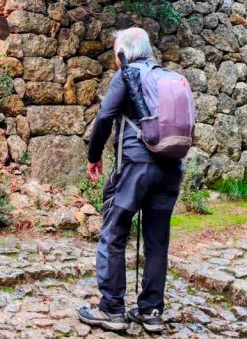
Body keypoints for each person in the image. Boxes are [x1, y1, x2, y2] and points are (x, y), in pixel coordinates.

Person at [77, 27, 184, 333]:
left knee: (114, 233)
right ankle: (150, 312)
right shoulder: (166, 79)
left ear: (123, 52)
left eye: (115, 50)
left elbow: (104, 118)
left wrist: (93, 156)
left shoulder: (127, 76)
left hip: (135, 166)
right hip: (172, 167)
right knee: (157, 240)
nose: (114, 56)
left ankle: (111, 309)